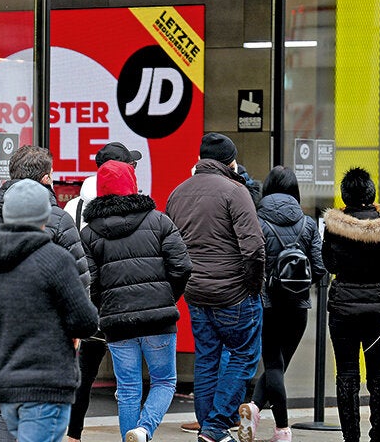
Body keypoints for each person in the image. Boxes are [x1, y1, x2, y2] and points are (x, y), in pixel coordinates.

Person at [0, 145, 91, 441]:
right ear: (46, 180)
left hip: (6, 355)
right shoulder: (58, 231)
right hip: (49, 365)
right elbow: (81, 295)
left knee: (9, 419)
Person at [80, 161, 191, 442]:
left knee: (128, 388)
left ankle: (134, 434)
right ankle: (143, 429)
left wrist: (106, 305)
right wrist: (167, 298)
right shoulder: (159, 221)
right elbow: (182, 267)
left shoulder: (89, 232)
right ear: (132, 184)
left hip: (117, 322)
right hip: (158, 320)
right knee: (164, 381)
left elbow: (89, 280)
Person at [165, 133, 265, 442]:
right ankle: (216, 426)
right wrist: (252, 287)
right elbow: (254, 248)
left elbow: (170, 249)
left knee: (207, 357)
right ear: (230, 162)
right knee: (244, 355)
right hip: (234, 293)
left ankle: (209, 425)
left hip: (195, 292)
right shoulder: (235, 192)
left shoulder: (177, 193)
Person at [237, 166, 326, 442]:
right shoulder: (309, 223)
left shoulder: (257, 220)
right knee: (280, 365)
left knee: (274, 365)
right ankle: (256, 410)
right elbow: (321, 268)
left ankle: (281, 428)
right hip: (298, 307)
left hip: (267, 304)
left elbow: (250, 261)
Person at [62, 141, 141, 441]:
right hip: (122, 300)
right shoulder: (136, 206)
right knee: (129, 378)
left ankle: (73, 434)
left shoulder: (75, 206)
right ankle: (133, 432)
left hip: (89, 302)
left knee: (84, 373)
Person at [323, 167, 380, 442]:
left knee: (346, 375)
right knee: (379, 376)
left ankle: (351, 438)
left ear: (345, 195)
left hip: (342, 309)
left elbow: (329, 264)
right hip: (379, 311)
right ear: (371, 194)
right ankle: (377, 437)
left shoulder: (334, 227)